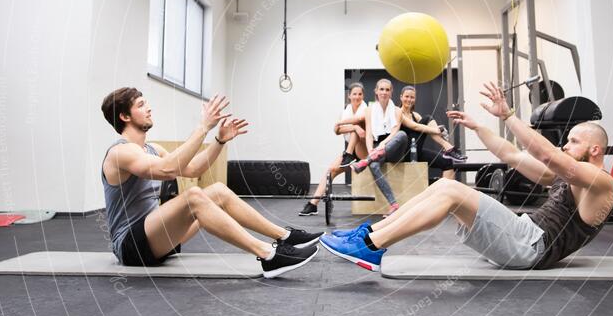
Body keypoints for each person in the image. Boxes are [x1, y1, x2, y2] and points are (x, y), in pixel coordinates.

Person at [320, 81, 613, 272]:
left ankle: (370, 248)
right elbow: (511, 155)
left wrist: (509, 115)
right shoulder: (565, 178)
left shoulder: (602, 184)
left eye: (574, 141)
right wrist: (478, 127)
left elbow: (549, 154)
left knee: (450, 191)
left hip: (531, 247)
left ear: (595, 149)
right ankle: (369, 235)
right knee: (445, 187)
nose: (566, 145)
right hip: (520, 236)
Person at [100, 87, 322, 278]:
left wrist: (219, 140)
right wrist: (203, 126)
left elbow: (193, 168)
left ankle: (285, 237)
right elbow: (168, 169)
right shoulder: (120, 152)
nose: (149, 108)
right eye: (141, 105)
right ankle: (268, 255)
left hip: (157, 239)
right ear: (124, 116)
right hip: (131, 246)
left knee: (216, 191)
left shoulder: (153, 149)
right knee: (194, 196)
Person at [299, 83, 368, 216]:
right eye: (354, 94)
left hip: (364, 150)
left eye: (360, 94)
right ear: (349, 96)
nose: (357, 97)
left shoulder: (366, 110)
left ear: (363, 96)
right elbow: (336, 131)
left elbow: (349, 124)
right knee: (330, 171)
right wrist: (353, 127)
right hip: (351, 149)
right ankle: (313, 204)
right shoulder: (345, 111)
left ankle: (348, 155)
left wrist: (347, 125)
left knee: (356, 126)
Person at [349, 78, 410, 217]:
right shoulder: (369, 110)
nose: (384, 92)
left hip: (394, 149)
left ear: (391, 92)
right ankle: (394, 204)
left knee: (402, 135)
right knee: (374, 166)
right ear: (376, 91)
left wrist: (382, 146)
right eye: (381, 89)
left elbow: (394, 132)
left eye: (387, 90)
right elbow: (369, 133)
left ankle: (365, 161)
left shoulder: (397, 111)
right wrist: (371, 150)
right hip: (377, 150)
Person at [394, 85, 467, 178]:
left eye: (412, 97)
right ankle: (448, 148)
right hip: (405, 153)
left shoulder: (415, 115)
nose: (409, 99)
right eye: (406, 96)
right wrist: (438, 131)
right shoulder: (397, 112)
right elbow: (415, 126)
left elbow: (428, 128)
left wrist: (440, 130)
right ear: (401, 97)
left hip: (417, 151)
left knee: (448, 163)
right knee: (428, 118)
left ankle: (445, 191)